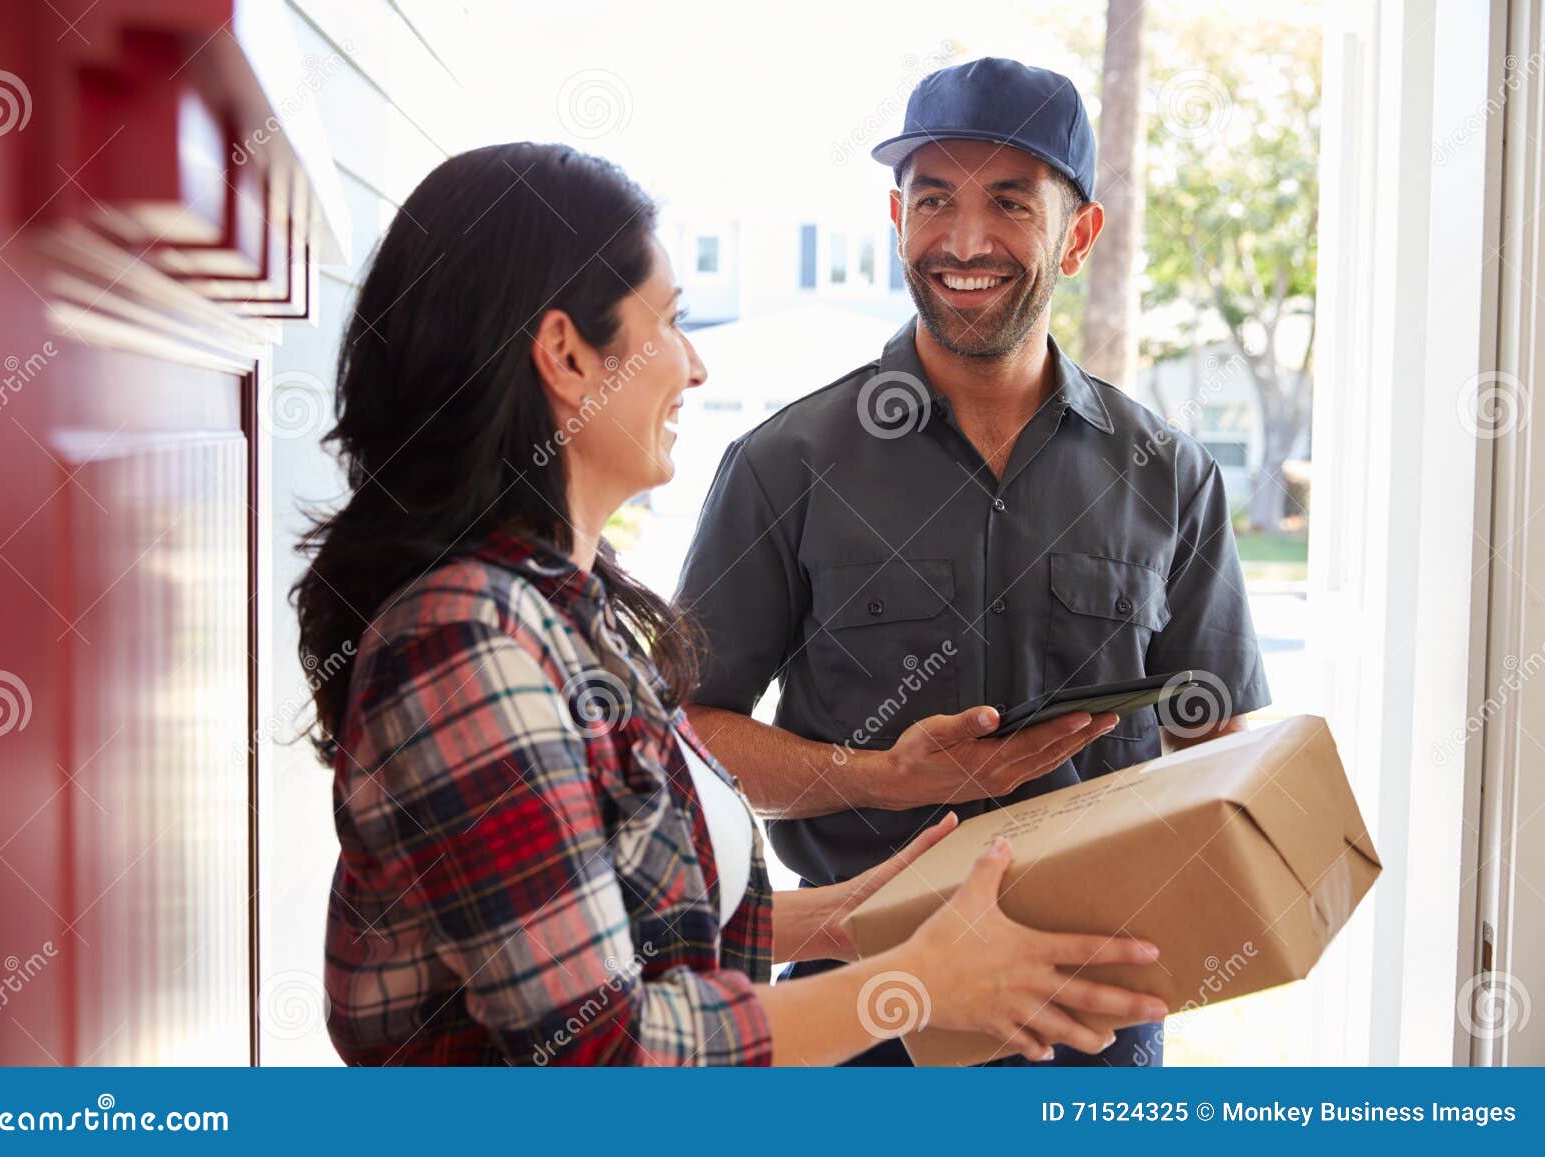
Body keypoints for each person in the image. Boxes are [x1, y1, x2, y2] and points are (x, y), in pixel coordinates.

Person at [294, 141, 1167, 1066]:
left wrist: (854, 917)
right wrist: (918, 984)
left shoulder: (568, 616)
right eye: (669, 322)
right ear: (566, 356)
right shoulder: (468, 647)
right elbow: (602, 1051)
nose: (695, 366)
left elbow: (636, 930)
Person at [674, 57, 1272, 1067]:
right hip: (857, 1010)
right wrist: (881, 778)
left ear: (1077, 234)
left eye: (1008, 201)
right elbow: (686, 737)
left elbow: (1217, 746)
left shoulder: (1169, 476)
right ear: (895, 217)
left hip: (1093, 1021)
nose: (964, 240)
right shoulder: (785, 465)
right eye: (933, 200)